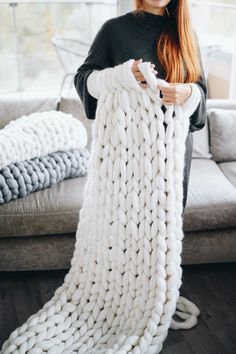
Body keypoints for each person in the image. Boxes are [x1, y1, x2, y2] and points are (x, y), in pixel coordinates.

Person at [74, 0, 207, 213]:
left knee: (167, 235)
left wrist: (189, 93)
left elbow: (201, 95)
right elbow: (83, 80)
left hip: (174, 156)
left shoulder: (186, 35)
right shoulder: (114, 30)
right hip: (127, 156)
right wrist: (120, 76)